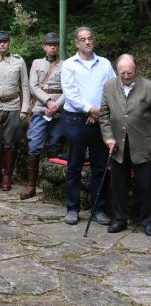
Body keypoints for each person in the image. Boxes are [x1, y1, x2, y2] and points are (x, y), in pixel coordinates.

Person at [61, 26, 115, 225]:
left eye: (90, 38)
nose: (87, 42)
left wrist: (99, 113)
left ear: (94, 40)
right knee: (74, 166)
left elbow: (112, 89)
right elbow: (70, 93)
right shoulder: (69, 65)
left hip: (100, 121)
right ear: (77, 43)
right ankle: (72, 208)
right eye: (83, 39)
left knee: (100, 167)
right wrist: (90, 110)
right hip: (76, 120)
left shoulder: (105, 64)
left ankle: (98, 209)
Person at [100, 54, 151, 235]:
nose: (126, 76)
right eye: (122, 73)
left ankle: (148, 221)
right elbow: (104, 115)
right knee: (118, 185)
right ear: (117, 71)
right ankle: (119, 219)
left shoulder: (148, 87)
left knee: (146, 185)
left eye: (130, 73)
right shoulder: (109, 86)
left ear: (136, 70)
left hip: (143, 144)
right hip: (117, 145)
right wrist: (108, 138)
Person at [0, 30, 30, 192]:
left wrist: (25, 109)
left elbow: (25, 85)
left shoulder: (18, 61)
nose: (2, 44)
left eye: (5, 42)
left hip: (13, 106)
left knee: (10, 143)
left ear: (9, 43)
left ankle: (7, 176)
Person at [21, 32, 65, 200]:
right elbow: (33, 86)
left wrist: (56, 105)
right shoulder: (36, 63)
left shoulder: (66, 65)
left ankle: (53, 188)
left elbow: (68, 88)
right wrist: (48, 102)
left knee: (56, 144)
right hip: (41, 108)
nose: (52, 47)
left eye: (55, 45)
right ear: (44, 47)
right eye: (49, 44)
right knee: (34, 145)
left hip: (59, 109)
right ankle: (31, 185)